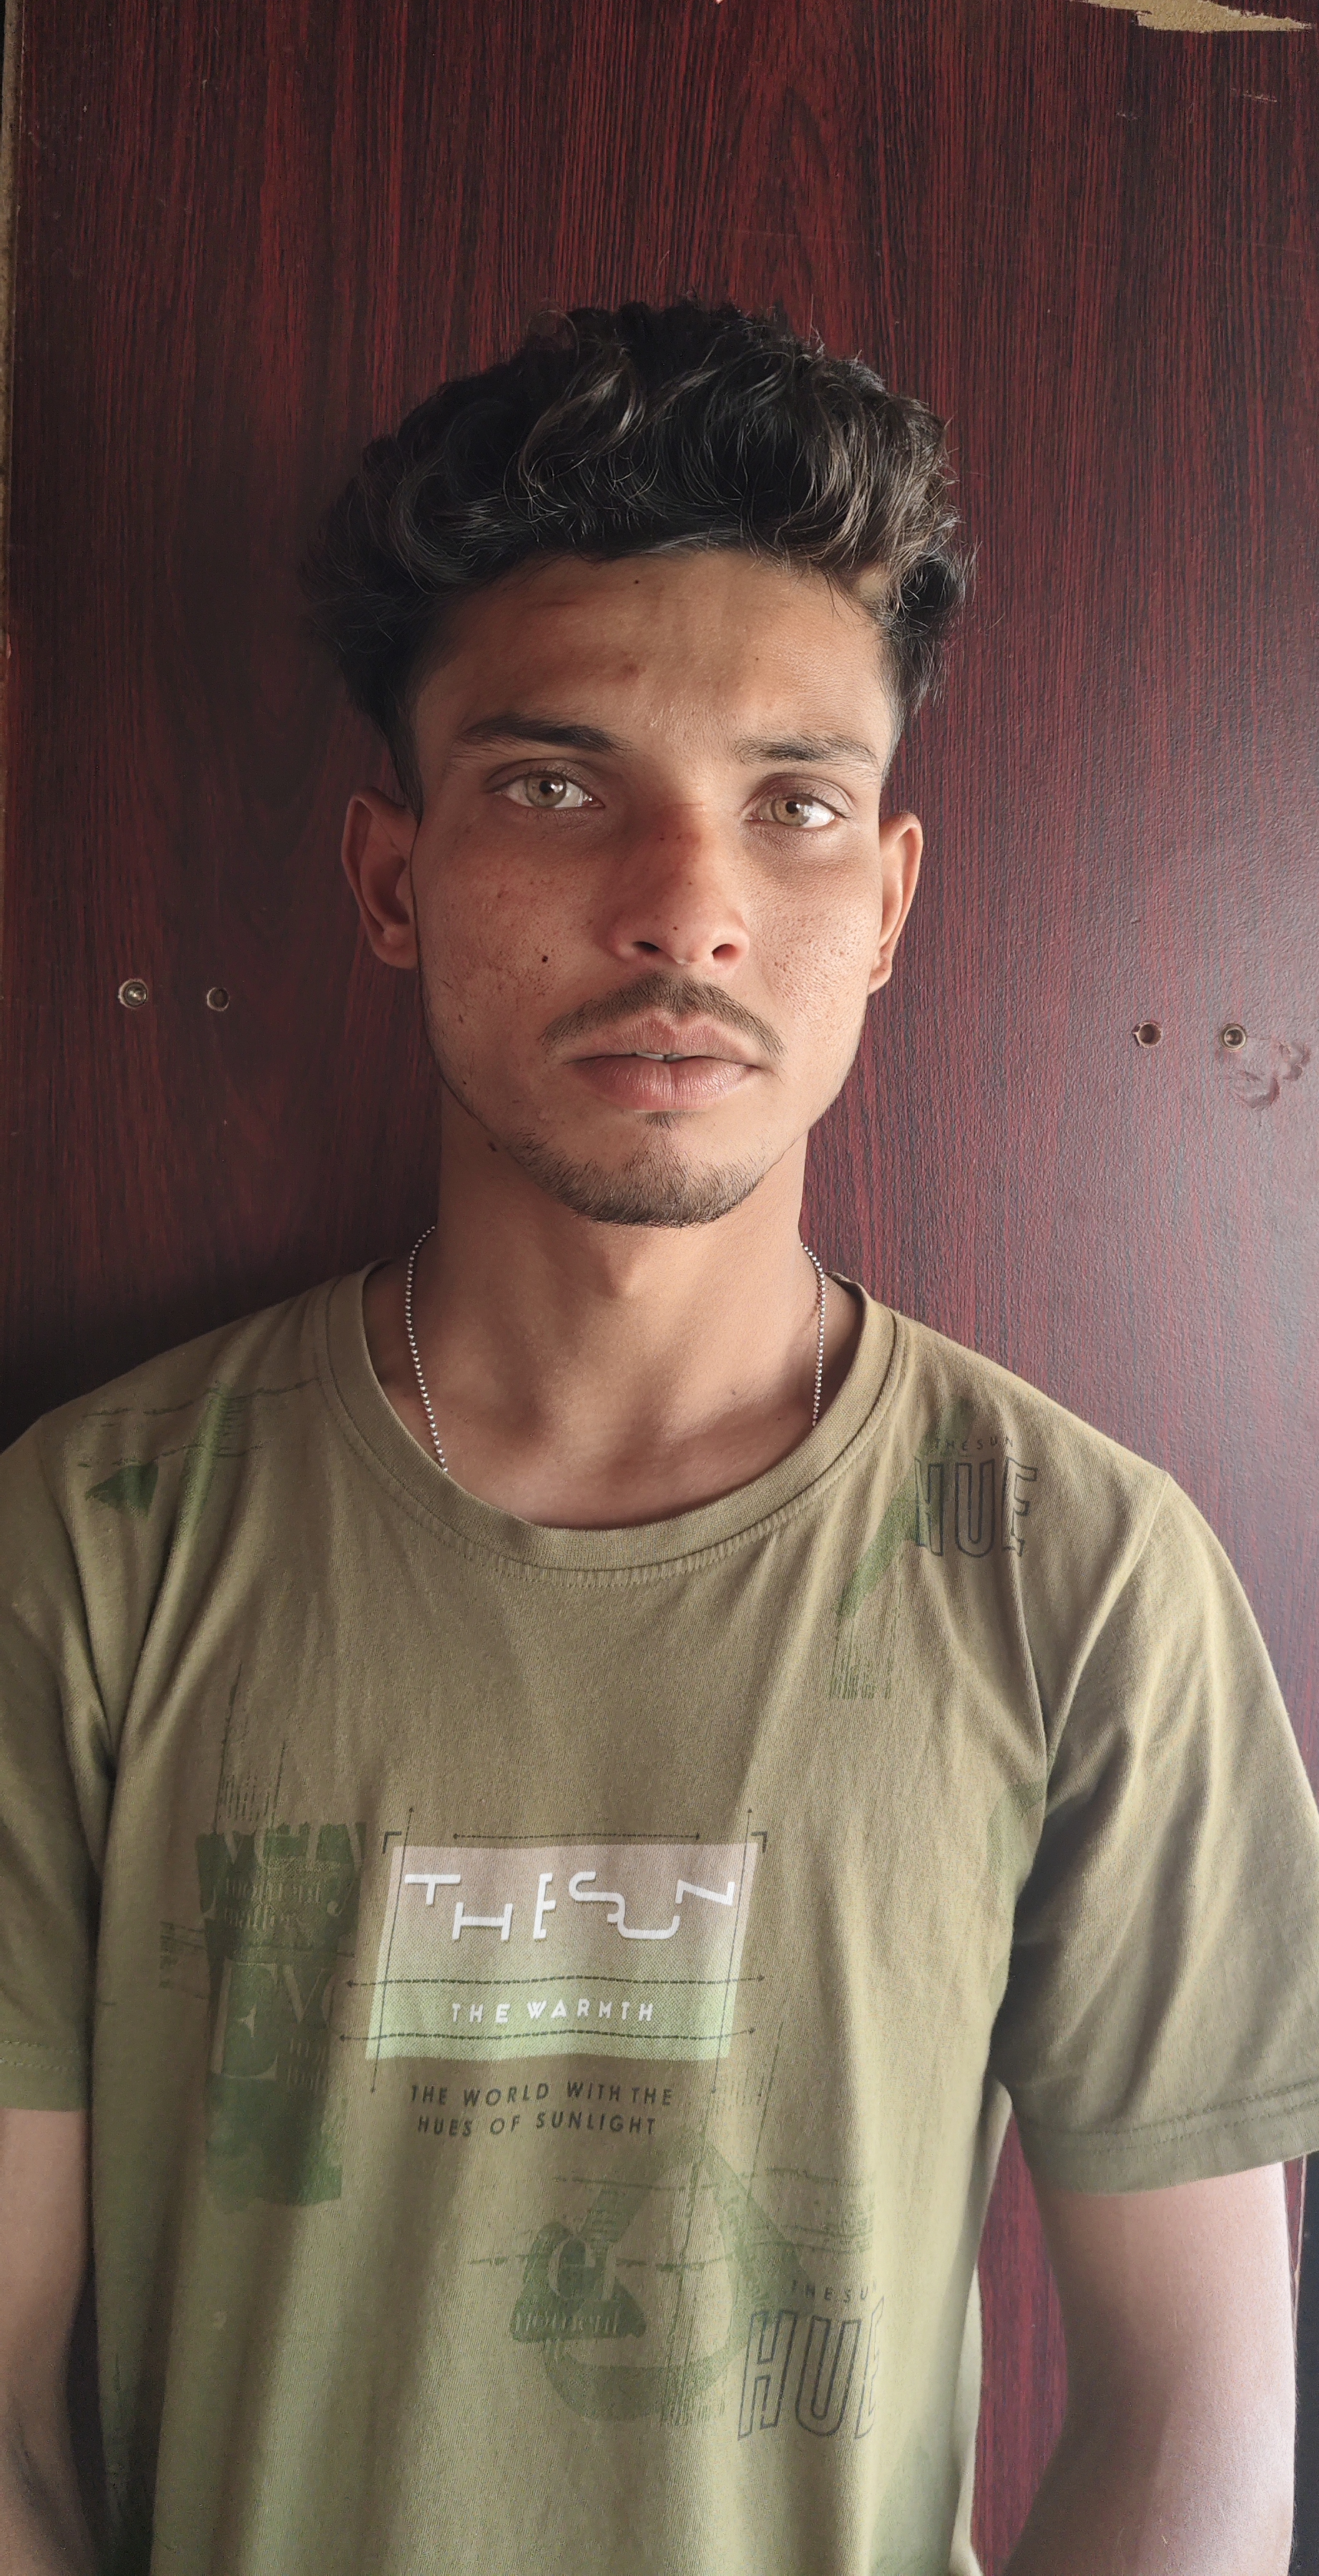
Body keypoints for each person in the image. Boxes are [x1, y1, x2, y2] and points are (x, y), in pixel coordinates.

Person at [1, 300, 1315, 2576]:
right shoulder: (94, 1543)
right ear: (393, 880)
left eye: (792, 803)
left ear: (880, 903)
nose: (685, 905)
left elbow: (1197, 2416)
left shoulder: (1082, 1573)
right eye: (552, 783)